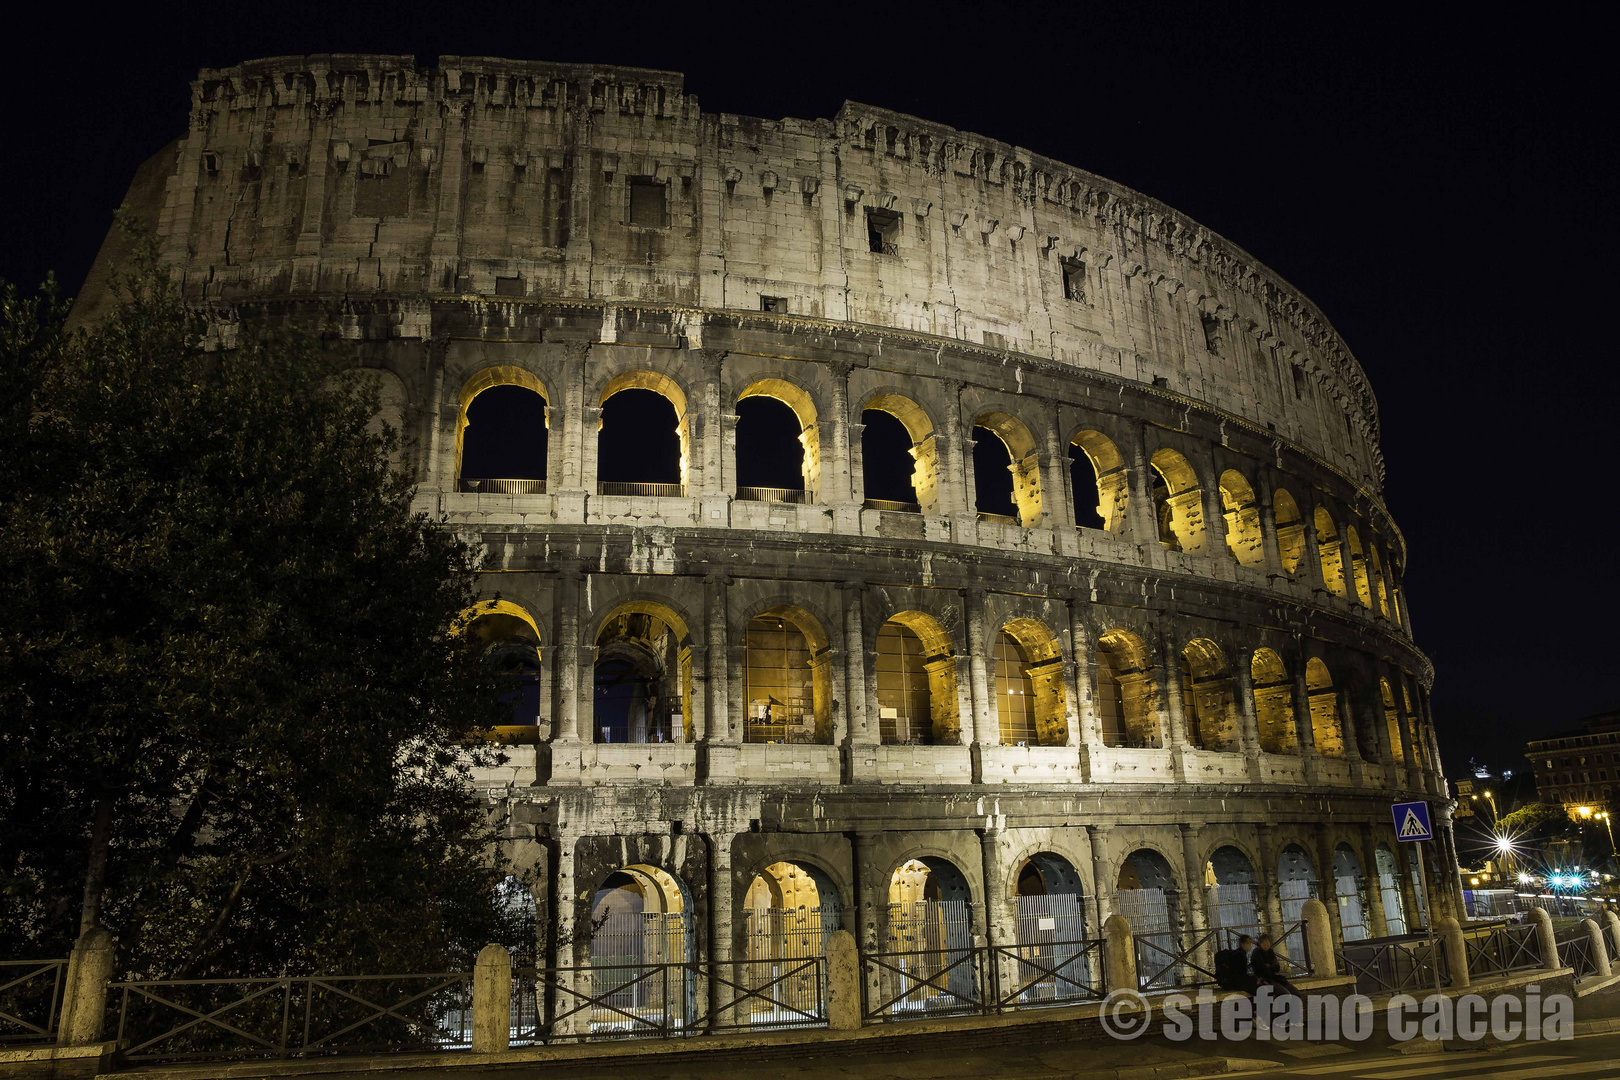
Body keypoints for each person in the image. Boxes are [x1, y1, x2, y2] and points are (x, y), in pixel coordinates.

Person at [1251, 933, 1302, 998]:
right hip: (1266, 979)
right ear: (1260, 944)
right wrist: (1270, 966)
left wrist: (1271, 966)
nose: (1266, 946)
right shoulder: (1257, 953)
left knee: (1296, 993)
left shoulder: (1270, 952)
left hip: (1275, 977)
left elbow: (1277, 968)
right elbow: (1260, 968)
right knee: (1285, 994)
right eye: (1264, 944)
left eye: (1268, 943)